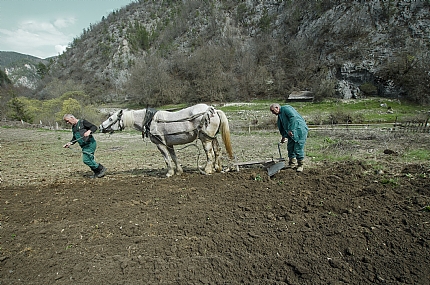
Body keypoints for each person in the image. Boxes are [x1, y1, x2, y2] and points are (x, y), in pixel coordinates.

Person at [62, 114, 107, 178]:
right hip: (84, 146)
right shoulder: (73, 127)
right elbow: (75, 138)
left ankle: (101, 168)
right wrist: (69, 143)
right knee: (90, 159)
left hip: (90, 143)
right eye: (66, 121)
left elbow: (94, 127)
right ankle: (97, 173)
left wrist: (89, 131)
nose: (67, 123)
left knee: (86, 160)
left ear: (72, 118)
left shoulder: (82, 122)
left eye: (67, 121)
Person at [270, 103, 308, 172]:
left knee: (297, 148)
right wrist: (284, 136)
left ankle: (300, 165)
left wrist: (291, 129)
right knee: (290, 148)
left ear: (277, 108)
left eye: (273, 111)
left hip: (299, 130)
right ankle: (292, 164)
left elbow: (293, 117)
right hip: (291, 133)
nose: (272, 113)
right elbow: (282, 126)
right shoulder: (280, 116)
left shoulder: (286, 108)